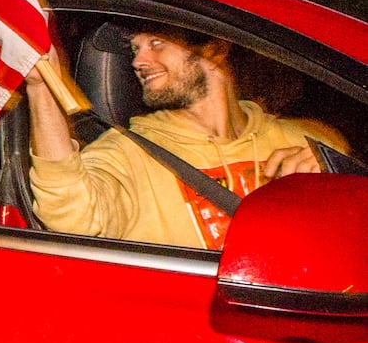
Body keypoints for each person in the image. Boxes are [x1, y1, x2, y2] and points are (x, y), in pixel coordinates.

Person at [25, 24, 343, 249]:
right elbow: (70, 213)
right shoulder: (128, 154)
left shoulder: (303, 140)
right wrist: (41, 90)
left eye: (156, 43)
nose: (138, 61)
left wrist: (335, 170)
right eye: (135, 49)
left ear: (214, 48)